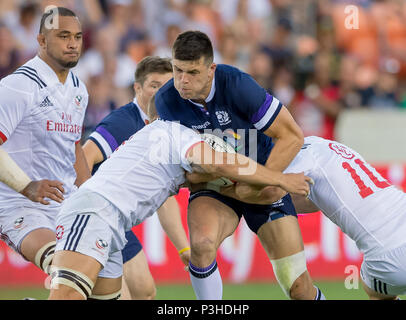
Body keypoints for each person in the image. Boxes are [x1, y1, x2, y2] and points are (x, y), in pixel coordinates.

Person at [48, 99, 312, 300]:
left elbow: (195, 177)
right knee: (67, 295)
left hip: (111, 224)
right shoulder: (176, 132)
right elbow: (221, 164)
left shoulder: (157, 138)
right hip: (95, 212)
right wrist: (280, 179)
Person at [154, 30, 324, 300]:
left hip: (263, 177)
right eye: (177, 70)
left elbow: (292, 135)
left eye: (193, 72)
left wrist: (264, 181)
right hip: (215, 187)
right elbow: (176, 170)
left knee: (299, 289)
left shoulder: (237, 85)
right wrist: (200, 178)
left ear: (211, 69)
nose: (182, 81)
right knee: (201, 245)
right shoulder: (165, 102)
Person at [217, 136, 406, 300]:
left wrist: (222, 189)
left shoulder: (298, 156)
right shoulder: (326, 146)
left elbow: (270, 192)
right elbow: (320, 199)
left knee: (375, 290)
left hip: (388, 254)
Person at [82, 56, 190, 300]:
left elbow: (165, 196)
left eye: (167, 86)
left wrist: (184, 248)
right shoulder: (123, 122)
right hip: (98, 219)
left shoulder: (164, 127)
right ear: (138, 88)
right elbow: (84, 157)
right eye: (154, 85)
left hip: (119, 225)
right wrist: (87, 210)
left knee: (145, 292)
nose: (161, 92)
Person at [0, 6, 90, 283]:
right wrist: (27, 185)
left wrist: (92, 196)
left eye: (77, 36)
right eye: (63, 36)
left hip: (68, 203)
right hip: (20, 205)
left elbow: (74, 147)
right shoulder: (18, 86)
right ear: (41, 40)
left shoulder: (78, 88)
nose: (73, 43)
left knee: (109, 286)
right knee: (66, 270)